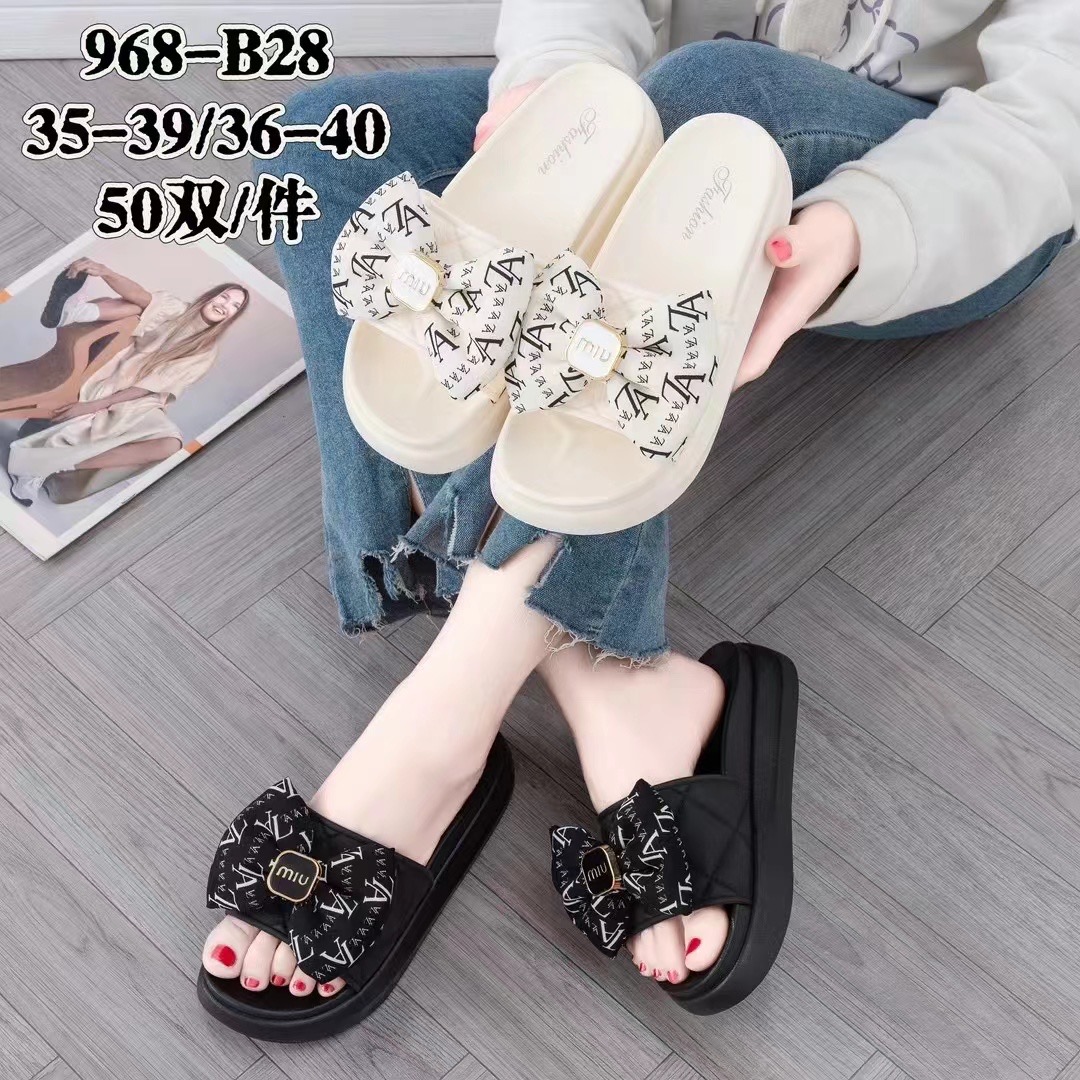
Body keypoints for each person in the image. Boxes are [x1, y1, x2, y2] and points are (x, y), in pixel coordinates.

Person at [199, 0, 1079, 1000]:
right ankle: (598, 672)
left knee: (715, 99)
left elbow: (1054, 117)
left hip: (939, 191)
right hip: (664, 173)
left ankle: (441, 722)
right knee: (330, 143)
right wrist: (552, 89)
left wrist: (858, 228)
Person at [6, 261, 249, 505]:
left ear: (233, 317)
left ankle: (52, 466)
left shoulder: (206, 352)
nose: (225, 305)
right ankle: (70, 313)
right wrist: (107, 272)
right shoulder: (177, 309)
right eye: (224, 297)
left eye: (234, 306)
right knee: (138, 305)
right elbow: (139, 295)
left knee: (170, 443)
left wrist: (96, 405)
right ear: (210, 296)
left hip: (141, 397)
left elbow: (147, 389)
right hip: (114, 373)